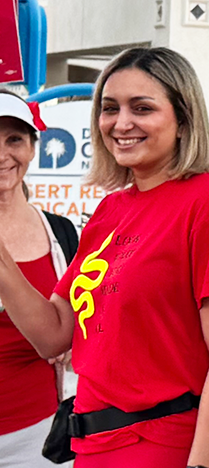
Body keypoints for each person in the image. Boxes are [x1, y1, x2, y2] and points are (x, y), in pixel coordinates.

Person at [0, 49, 209, 468]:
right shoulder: (111, 211)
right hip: (91, 448)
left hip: (164, 447)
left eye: (142, 108)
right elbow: (54, 335)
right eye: (109, 108)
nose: (121, 124)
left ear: (183, 119)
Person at [0, 92, 78, 468]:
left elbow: (85, 325)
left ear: (33, 148)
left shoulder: (61, 232)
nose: (2, 155)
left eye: (14, 139)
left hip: (40, 435)